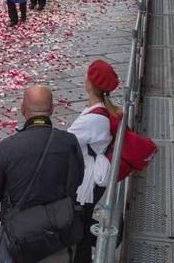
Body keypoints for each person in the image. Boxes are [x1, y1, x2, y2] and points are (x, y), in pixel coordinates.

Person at [0, 85, 84, 263]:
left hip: (21, 238)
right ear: (51, 109)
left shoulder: (8, 147)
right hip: (58, 235)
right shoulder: (68, 142)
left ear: (22, 109)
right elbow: (76, 181)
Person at [68, 60, 121, 263]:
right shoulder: (101, 111)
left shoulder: (93, 119)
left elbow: (66, 142)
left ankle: (108, 240)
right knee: (80, 220)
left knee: (78, 225)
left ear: (89, 82)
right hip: (92, 178)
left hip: (86, 182)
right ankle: (107, 239)